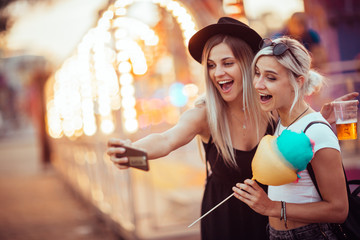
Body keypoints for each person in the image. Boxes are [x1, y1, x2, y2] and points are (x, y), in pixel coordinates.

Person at [107, 17, 357, 240]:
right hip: (224, 222)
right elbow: (166, 139)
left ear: (249, 65)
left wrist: (321, 121)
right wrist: (132, 151)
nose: (218, 73)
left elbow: (302, 129)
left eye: (227, 63)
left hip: (270, 219)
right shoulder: (205, 115)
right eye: (211, 65)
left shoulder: (272, 110)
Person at [232, 36, 351, 239]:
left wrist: (271, 207)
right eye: (257, 73)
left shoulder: (317, 131)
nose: (258, 84)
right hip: (275, 233)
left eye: (271, 77)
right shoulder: (283, 121)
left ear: (298, 81)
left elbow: (339, 210)